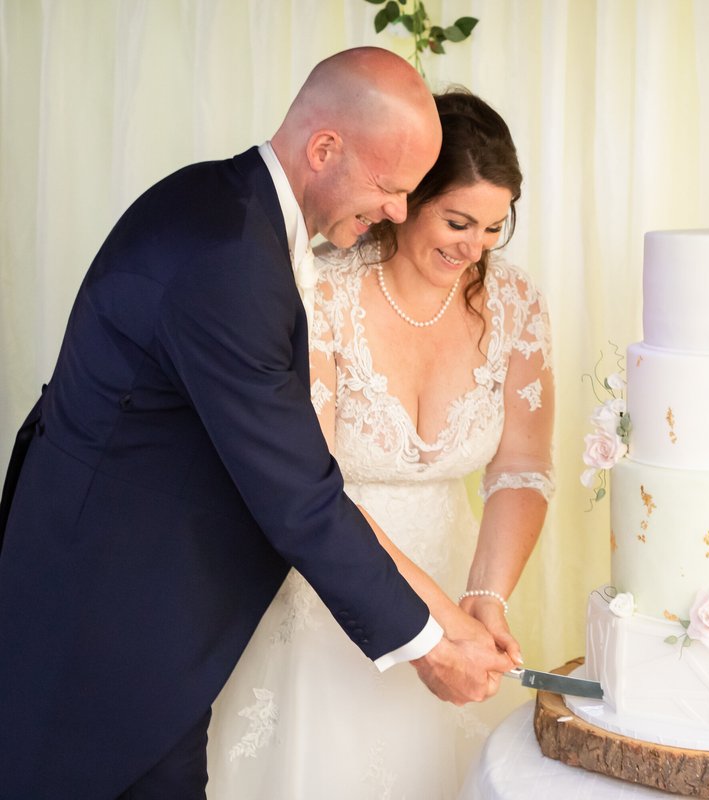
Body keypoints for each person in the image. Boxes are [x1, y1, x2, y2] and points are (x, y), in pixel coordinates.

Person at [0, 48, 514, 800]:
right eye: (390, 187)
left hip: (152, 619)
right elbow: (298, 492)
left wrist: (452, 614)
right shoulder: (227, 256)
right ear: (324, 147)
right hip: (99, 623)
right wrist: (430, 643)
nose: (399, 213)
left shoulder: (233, 212)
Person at [206, 89, 554, 798]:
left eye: (495, 227)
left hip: (454, 576)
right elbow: (311, 485)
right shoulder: (321, 293)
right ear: (404, 202)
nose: (475, 247)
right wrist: (437, 623)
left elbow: (520, 466)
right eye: (458, 221)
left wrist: (485, 595)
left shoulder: (515, 303)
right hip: (326, 587)